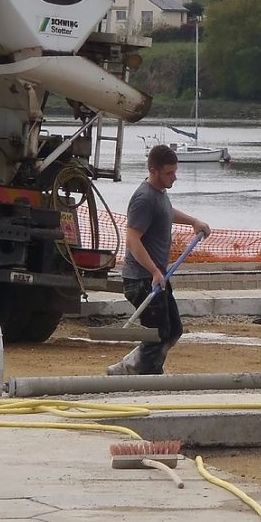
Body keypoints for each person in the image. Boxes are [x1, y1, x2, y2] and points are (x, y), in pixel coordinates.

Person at [106, 145, 211, 375]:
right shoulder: (143, 198)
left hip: (156, 277)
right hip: (142, 279)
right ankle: (148, 377)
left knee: (173, 330)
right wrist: (154, 270)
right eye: (169, 173)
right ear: (154, 171)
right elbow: (133, 240)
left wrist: (193, 221)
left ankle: (128, 366)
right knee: (159, 334)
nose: (174, 177)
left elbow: (167, 211)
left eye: (175, 172)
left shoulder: (159, 194)